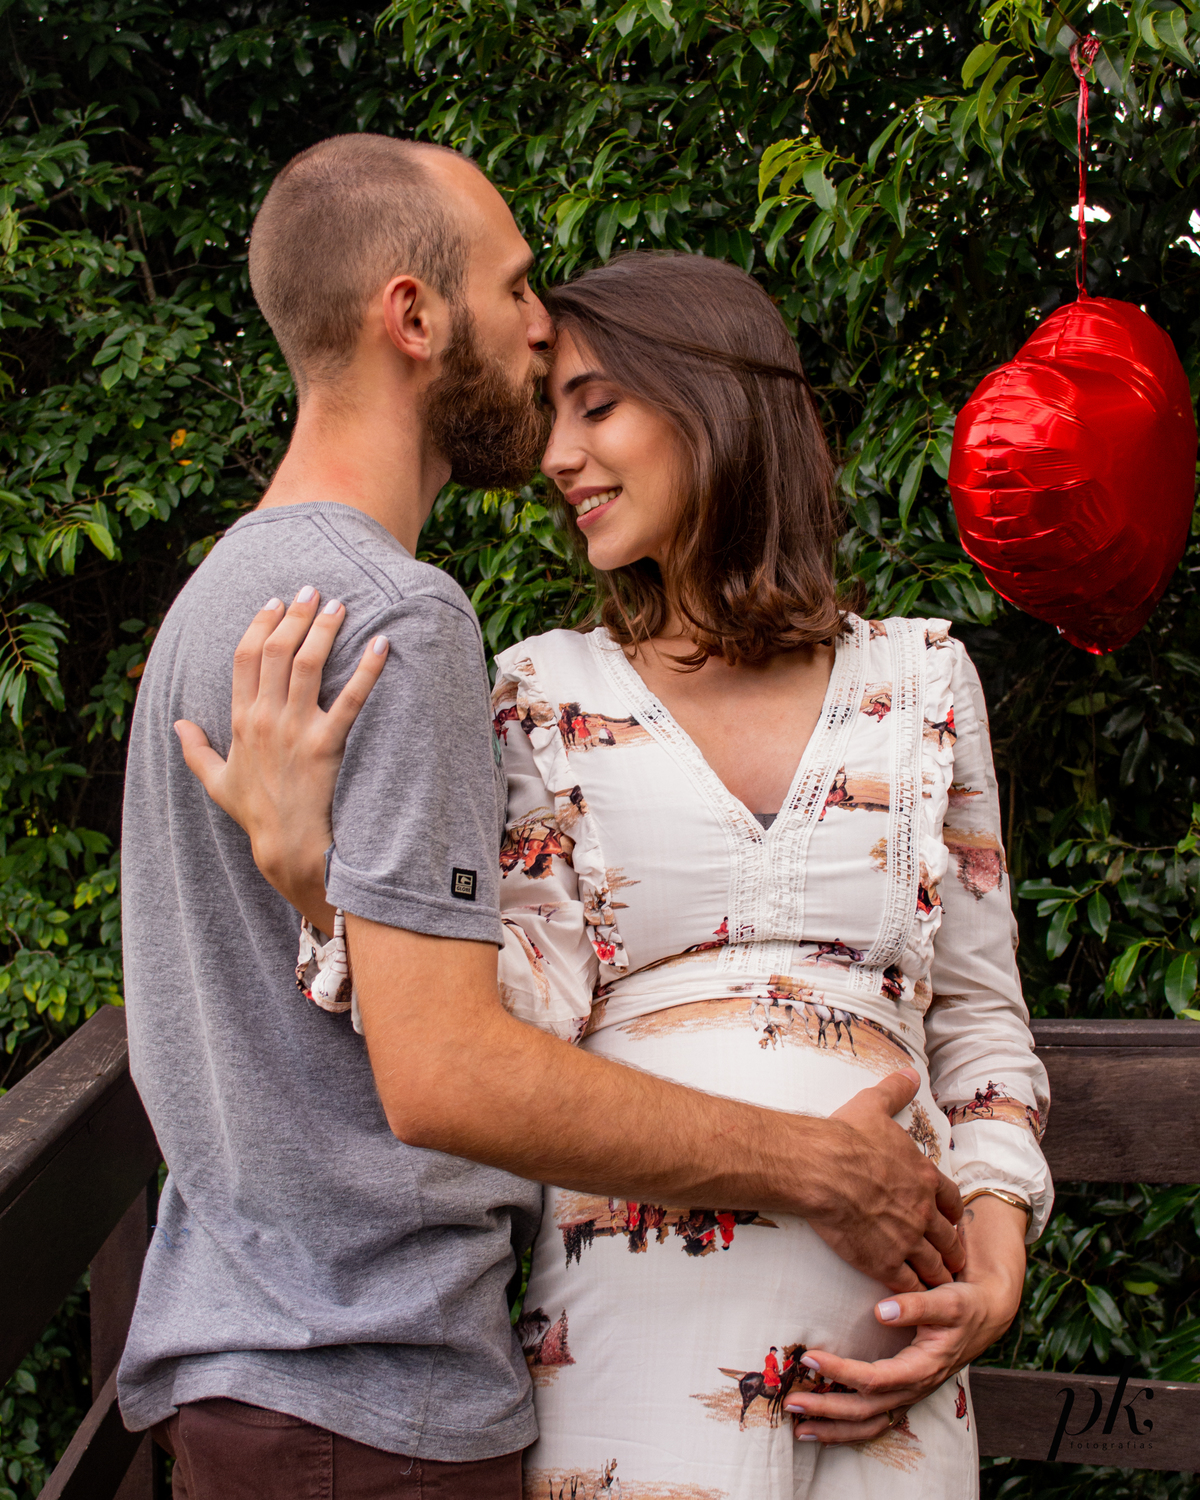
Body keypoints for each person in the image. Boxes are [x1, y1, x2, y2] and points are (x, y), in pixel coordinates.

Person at [120, 136, 962, 1500]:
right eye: (514, 287)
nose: (534, 323)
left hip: (260, 1367)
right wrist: (816, 1165)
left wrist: (320, 883)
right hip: (369, 1392)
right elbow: (448, 1068)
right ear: (413, 315)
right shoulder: (400, 619)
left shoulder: (217, 600)